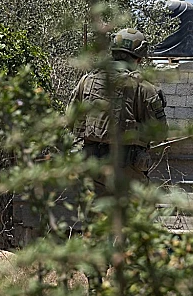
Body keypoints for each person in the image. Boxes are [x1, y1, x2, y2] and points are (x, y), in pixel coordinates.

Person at [68, 28, 168, 187]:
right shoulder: (144, 88)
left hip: (92, 170)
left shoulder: (87, 80)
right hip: (128, 173)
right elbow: (160, 133)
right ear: (139, 58)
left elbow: (70, 120)